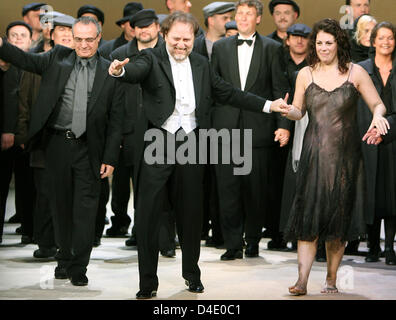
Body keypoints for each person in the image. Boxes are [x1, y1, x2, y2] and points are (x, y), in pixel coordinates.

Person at [108, 11, 288, 299]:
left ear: (195, 39)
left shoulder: (202, 64)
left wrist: (269, 105)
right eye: (176, 38)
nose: (181, 44)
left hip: (192, 143)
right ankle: (147, 282)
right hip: (158, 141)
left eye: (187, 39)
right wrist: (119, 71)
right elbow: (134, 72)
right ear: (164, 35)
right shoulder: (151, 58)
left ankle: (192, 275)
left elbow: (229, 92)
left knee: (191, 214)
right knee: (149, 215)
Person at [0, 16, 123, 286]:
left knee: (86, 210)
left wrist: (111, 157)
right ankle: (64, 259)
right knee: (61, 207)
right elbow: (25, 61)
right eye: (78, 39)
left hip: (90, 148)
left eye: (89, 39)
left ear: (98, 38)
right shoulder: (57, 58)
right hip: (57, 145)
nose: (83, 44)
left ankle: (79, 266)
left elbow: (116, 120)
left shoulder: (110, 70)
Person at [278, 18, 389, 295]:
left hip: (346, 159)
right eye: (319, 43)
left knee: (338, 222)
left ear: (339, 44)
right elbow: (299, 111)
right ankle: (302, 280)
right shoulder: (305, 74)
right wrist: (287, 110)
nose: (324, 47)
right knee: (307, 220)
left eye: (329, 42)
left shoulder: (355, 73)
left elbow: (378, 104)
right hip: (313, 157)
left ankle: (330, 278)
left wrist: (377, 117)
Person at [210, 0, 291, 260]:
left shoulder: (273, 48)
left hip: (258, 128)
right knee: (228, 188)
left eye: (249, 14)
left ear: (258, 18)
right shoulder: (220, 47)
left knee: (255, 190)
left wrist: (283, 126)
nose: (243, 18)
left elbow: (280, 89)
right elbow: (212, 90)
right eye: (240, 13)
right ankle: (233, 243)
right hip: (225, 128)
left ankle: (253, 239)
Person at [16, 14, 75, 259]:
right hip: (42, 138)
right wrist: (23, 132)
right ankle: (46, 242)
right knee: (45, 193)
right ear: (51, 35)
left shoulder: (79, 64)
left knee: (68, 194)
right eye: (60, 32)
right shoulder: (38, 62)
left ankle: (67, 244)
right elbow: (24, 100)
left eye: (69, 34)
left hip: (70, 139)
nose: (65, 36)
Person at [357, 22, 396, 265]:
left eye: (390, 38)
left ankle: (389, 248)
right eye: (381, 38)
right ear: (373, 41)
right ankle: (372, 247)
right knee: (370, 193)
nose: (385, 42)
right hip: (367, 137)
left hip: (394, 139)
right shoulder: (362, 70)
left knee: (391, 194)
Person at [277, 23, 311, 254]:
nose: (300, 41)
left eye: (304, 37)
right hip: (284, 122)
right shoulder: (278, 61)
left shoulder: (313, 68)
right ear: (287, 39)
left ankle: (310, 234)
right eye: (295, 36)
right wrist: (284, 124)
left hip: (309, 125)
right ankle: (285, 233)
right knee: (289, 182)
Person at [1, 21, 35, 244]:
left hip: (29, 137)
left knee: (28, 186)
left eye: (24, 35)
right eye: (14, 35)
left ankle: (30, 229)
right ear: (7, 40)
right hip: (5, 134)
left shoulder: (37, 63)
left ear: (31, 40)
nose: (19, 38)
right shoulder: (3, 66)